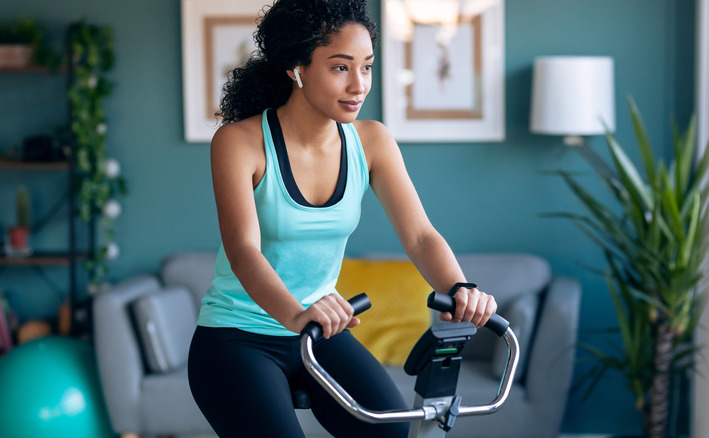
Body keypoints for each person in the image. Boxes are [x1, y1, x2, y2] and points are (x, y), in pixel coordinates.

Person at [187, 0, 497, 436]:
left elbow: (421, 235)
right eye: (340, 68)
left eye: (366, 67)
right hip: (238, 337)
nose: (359, 85)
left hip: (320, 334)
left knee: (390, 430)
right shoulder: (239, 142)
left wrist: (460, 287)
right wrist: (296, 316)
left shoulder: (371, 141)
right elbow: (243, 251)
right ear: (297, 68)